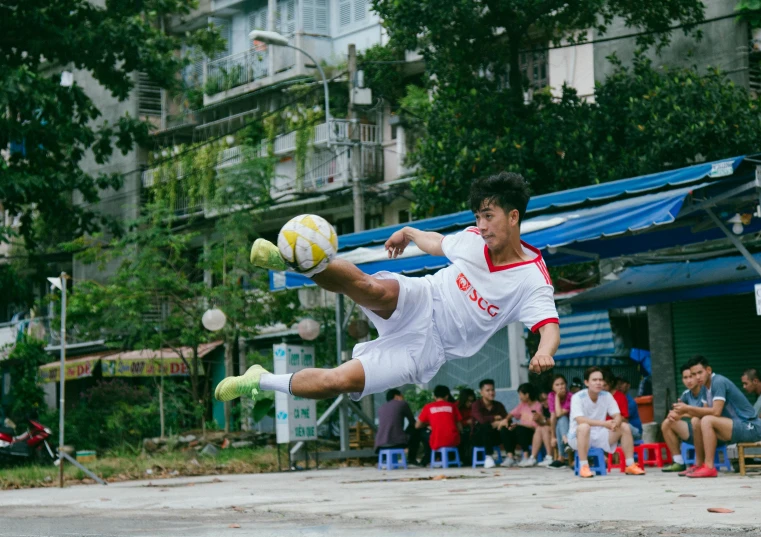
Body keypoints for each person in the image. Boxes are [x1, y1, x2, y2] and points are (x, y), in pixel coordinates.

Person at [215, 172, 559, 406]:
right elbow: (437, 242)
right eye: (477, 217)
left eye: (488, 216)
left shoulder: (531, 277)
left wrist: (545, 351)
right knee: (370, 288)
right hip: (424, 298)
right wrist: (408, 232)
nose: (480, 226)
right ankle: (290, 260)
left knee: (339, 381)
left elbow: (549, 325)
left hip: (427, 348)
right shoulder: (472, 240)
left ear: (513, 217)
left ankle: (258, 381)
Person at [673, 356, 761, 478]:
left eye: (700, 372)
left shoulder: (718, 381)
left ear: (708, 370)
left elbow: (715, 412)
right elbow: (702, 412)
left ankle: (709, 467)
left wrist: (687, 408)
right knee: (696, 420)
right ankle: (699, 464)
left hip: (751, 426)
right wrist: (681, 412)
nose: (697, 377)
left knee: (707, 420)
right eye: (694, 374)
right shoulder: (704, 386)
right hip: (734, 427)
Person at [567, 366, 645, 478]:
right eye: (594, 380)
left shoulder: (606, 396)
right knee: (584, 426)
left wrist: (616, 422)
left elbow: (617, 415)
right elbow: (580, 420)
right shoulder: (578, 397)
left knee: (624, 426)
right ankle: (584, 467)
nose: (598, 383)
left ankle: (630, 465)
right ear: (586, 382)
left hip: (599, 434)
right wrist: (604, 424)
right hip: (578, 437)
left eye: (600, 380)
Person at [661, 359, 707, 473]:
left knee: (696, 420)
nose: (688, 381)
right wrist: (673, 414)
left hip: (708, 432)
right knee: (667, 422)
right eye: (685, 378)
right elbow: (677, 412)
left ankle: (702, 463)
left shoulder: (706, 391)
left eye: (691, 376)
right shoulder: (686, 394)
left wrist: (684, 413)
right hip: (693, 431)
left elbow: (706, 413)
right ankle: (679, 462)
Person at [496, 383, 545, 467]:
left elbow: (535, 426)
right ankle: (510, 457)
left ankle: (525, 457)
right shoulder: (522, 405)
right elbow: (511, 413)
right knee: (506, 429)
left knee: (519, 429)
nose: (519, 397)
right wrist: (506, 420)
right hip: (520, 433)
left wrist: (519, 426)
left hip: (533, 435)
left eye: (520, 394)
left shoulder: (538, 406)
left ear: (527, 395)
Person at [374, 388, 422, 464]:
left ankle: (384, 459)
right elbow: (412, 422)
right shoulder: (402, 404)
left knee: (390, 432)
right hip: (397, 443)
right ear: (397, 396)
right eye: (402, 396)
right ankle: (411, 459)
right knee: (416, 429)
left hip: (380, 445)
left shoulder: (381, 408)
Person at [471, 379, 510, 467]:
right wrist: (495, 418)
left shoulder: (498, 405)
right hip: (478, 437)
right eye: (488, 390)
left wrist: (502, 422)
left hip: (494, 436)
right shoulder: (476, 405)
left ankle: (510, 456)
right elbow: (481, 420)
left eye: (492, 390)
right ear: (481, 392)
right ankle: (488, 457)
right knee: (485, 426)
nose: (491, 393)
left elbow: (506, 419)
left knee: (506, 428)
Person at [416, 385, 462, 455]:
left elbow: (417, 426)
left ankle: (429, 457)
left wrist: (429, 424)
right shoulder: (453, 406)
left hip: (436, 442)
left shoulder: (428, 407)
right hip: (453, 441)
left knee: (423, 433)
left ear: (434, 397)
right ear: (447, 396)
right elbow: (460, 428)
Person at [548, 374, 573, 469]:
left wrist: (557, 398)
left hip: (572, 425)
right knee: (560, 422)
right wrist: (552, 437)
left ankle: (561, 457)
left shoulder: (571, 396)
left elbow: (559, 413)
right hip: (562, 429)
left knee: (562, 418)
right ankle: (566, 444)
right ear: (552, 387)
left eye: (562, 384)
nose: (560, 387)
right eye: (557, 385)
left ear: (566, 385)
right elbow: (553, 416)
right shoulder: (551, 396)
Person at [457, 388, 476, 465]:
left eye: (472, 401)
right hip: (461, 430)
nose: (470, 403)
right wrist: (466, 422)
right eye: (468, 401)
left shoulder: (475, 406)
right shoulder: (456, 407)